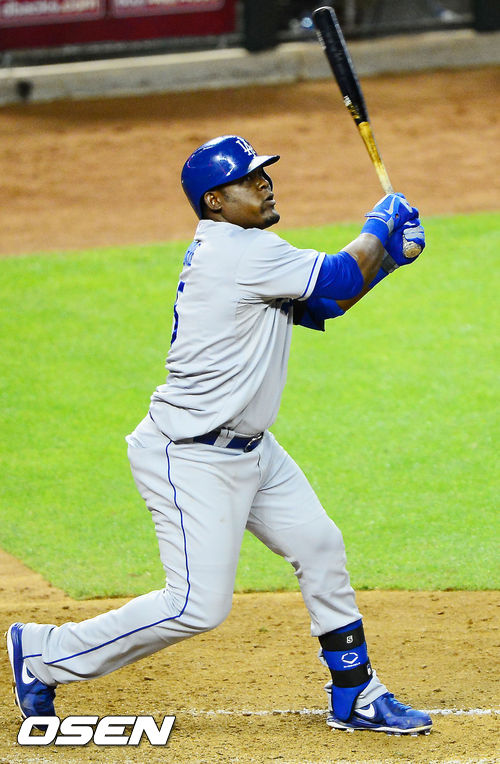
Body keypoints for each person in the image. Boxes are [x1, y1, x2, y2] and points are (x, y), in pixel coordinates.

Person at [7, 135, 432, 736]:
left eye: (264, 174)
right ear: (214, 201)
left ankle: (355, 692)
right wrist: (380, 225)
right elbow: (339, 274)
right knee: (195, 607)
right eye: (249, 178)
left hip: (254, 450)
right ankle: (44, 654)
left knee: (319, 544)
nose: (265, 184)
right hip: (191, 456)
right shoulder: (239, 251)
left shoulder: (246, 252)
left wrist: (386, 262)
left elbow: (327, 304)